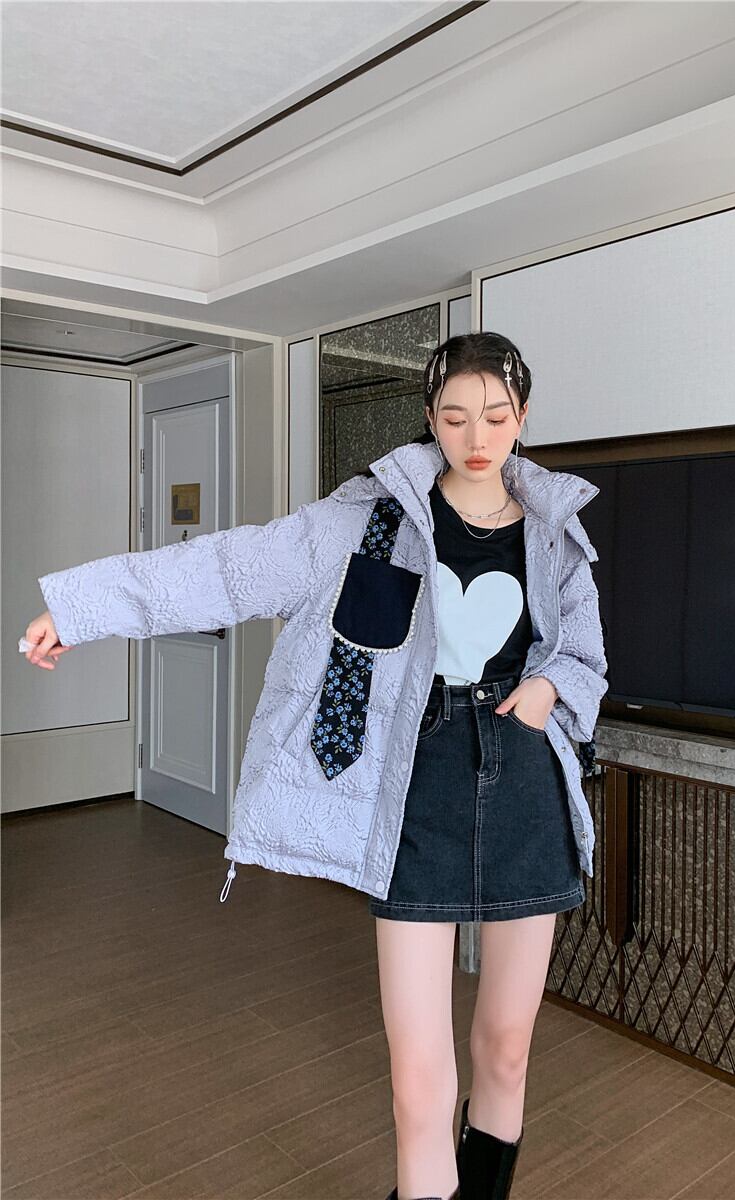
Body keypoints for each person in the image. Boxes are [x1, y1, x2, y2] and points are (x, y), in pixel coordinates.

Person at [24, 331, 608, 1200]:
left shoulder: (555, 534)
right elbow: (228, 568)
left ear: (523, 415)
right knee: (420, 1079)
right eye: (454, 417)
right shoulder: (366, 521)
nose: (476, 436)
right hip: (413, 796)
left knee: (507, 1050)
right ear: (430, 418)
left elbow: (587, 659)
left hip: (525, 788)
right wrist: (80, 611)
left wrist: (548, 688)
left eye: (495, 416)